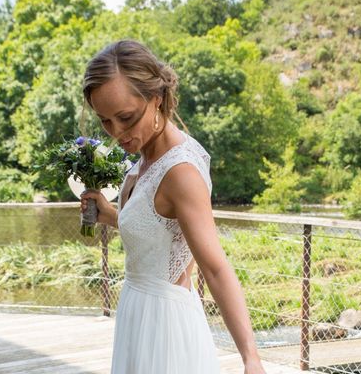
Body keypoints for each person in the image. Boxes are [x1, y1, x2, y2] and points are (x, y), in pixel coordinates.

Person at [80, 40, 266, 374]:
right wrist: (111, 215)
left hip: (164, 326)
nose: (117, 133)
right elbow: (160, 232)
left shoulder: (181, 172)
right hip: (137, 311)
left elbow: (216, 268)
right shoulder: (146, 151)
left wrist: (251, 359)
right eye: (105, 121)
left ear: (157, 99)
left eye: (125, 117)